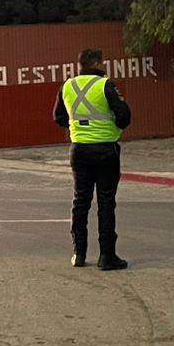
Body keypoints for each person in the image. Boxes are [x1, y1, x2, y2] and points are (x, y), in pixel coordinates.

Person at [54, 49, 132, 270]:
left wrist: (78, 127)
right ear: (97, 63)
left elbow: (58, 117)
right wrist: (112, 127)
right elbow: (125, 116)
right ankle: (107, 257)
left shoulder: (67, 86)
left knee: (80, 201)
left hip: (79, 150)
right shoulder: (105, 85)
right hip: (106, 149)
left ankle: (79, 254)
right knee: (106, 202)